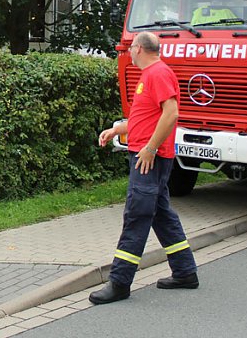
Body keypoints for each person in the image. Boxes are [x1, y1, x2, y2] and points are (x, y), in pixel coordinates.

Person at [91, 31, 199, 305]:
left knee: (137, 214)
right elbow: (144, 118)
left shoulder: (157, 73)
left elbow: (171, 113)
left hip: (148, 158)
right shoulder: (150, 75)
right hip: (146, 154)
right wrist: (116, 129)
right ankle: (185, 272)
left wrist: (150, 148)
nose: (128, 52)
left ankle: (120, 282)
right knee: (160, 213)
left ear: (139, 48)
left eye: (130, 48)